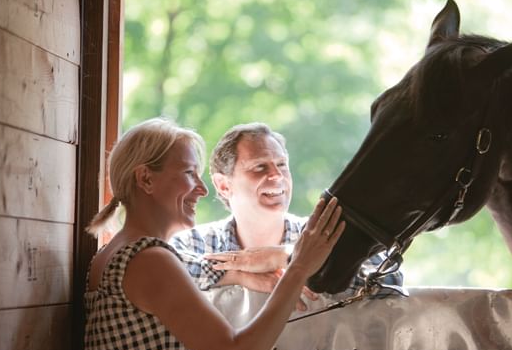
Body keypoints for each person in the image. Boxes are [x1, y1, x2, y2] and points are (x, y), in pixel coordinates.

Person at [83, 117, 345, 350]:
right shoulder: (149, 260)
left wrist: (235, 272)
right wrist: (298, 268)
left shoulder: (114, 253)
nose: (203, 189)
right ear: (146, 179)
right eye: (189, 173)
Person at [171, 123, 403, 311]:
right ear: (223, 185)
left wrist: (290, 258)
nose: (277, 175)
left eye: (282, 165)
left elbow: (390, 280)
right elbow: (157, 273)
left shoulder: (321, 236)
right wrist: (236, 274)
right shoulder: (193, 243)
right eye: (260, 167)